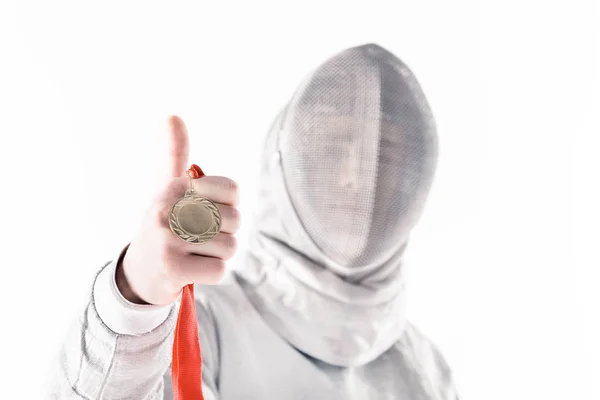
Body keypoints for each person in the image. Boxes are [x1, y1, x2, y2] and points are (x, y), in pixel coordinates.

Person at [48, 43, 459, 399]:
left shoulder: (426, 368)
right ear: (287, 165)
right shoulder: (196, 329)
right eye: (334, 147)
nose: (357, 179)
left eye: (383, 156)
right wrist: (134, 303)